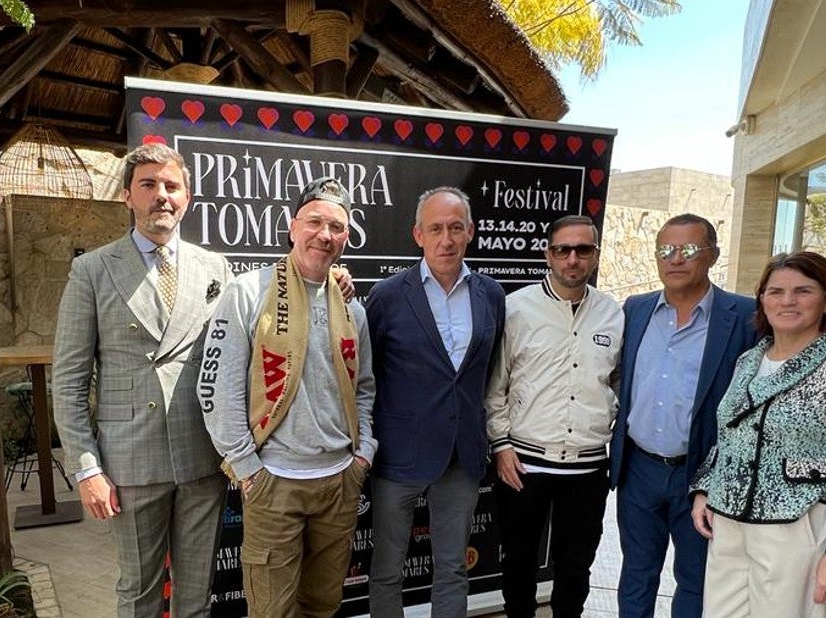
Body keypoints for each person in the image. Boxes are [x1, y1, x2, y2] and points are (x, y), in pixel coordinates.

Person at [50, 142, 231, 618]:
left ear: (187, 197)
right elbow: (68, 381)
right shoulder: (91, 270)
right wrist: (87, 469)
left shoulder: (215, 268)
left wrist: (332, 283)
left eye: (172, 186)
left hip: (201, 459)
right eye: (148, 185)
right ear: (128, 196)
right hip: (130, 463)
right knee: (139, 594)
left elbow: (240, 353)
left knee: (197, 597)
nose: (161, 196)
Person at [199, 176, 377, 617]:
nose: (325, 234)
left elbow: (366, 387)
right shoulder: (247, 292)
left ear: (347, 237)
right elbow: (217, 389)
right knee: (271, 611)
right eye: (314, 221)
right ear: (292, 226)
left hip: (339, 481)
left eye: (336, 227)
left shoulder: (353, 308)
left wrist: (363, 454)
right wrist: (246, 468)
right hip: (273, 483)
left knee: (323, 604)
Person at [690, 251, 826, 618]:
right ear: (762, 301)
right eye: (775, 292)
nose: (787, 301)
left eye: (803, 291)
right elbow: (730, 435)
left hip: (798, 524)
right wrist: (706, 487)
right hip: (730, 521)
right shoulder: (749, 361)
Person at [364, 187, 506, 618]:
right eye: (436, 229)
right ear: (418, 235)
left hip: (462, 453)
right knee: (387, 568)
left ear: (471, 233)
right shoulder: (388, 295)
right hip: (398, 455)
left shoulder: (491, 294)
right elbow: (368, 376)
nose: (446, 239)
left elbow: (489, 371)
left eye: (455, 228)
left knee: (452, 567)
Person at [608, 213, 758, 618]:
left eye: (689, 249)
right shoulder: (635, 310)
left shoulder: (744, 317)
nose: (675, 259)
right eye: (666, 250)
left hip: (701, 475)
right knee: (637, 574)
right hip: (638, 470)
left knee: (696, 580)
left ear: (712, 255)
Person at [486, 214, 623, 618]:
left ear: (595, 255)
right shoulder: (516, 309)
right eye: (563, 249)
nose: (572, 259)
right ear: (548, 254)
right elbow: (495, 386)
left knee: (575, 568)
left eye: (583, 249)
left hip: (587, 468)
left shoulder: (613, 314)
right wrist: (501, 444)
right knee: (518, 564)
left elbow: (617, 383)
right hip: (524, 464)